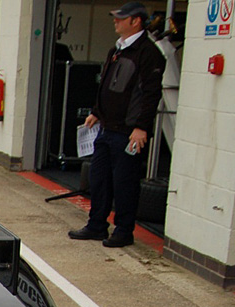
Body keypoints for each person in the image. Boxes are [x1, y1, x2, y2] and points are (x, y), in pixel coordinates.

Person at [68, 2, 165, 248]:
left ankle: (124, 231)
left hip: (128, 133)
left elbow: (151, 94)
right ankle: (97, 225)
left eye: (121, 18)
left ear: (136, 21)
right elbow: (108, 86)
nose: (115, 21)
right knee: (99, 179)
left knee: (125, 183)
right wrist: (97, 112)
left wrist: (141, 127)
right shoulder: (116, 50)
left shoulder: (148, 53)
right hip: (106, 128)